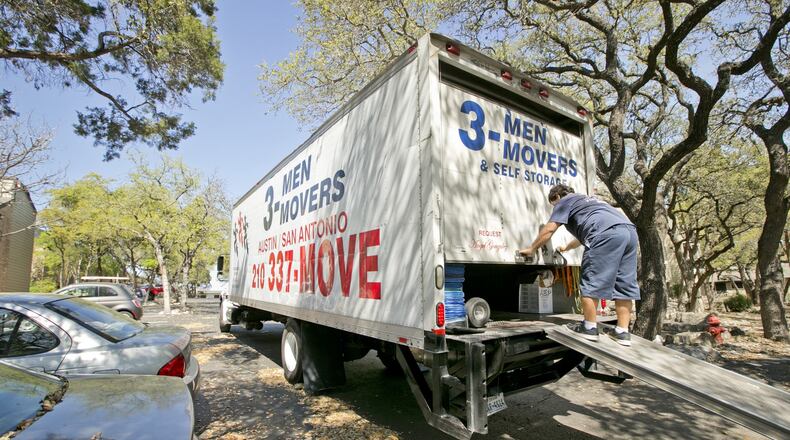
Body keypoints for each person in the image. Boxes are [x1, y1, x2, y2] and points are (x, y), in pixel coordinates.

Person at [518, 184, 639, 346]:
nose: (554, 208)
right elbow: (586, 234)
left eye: (553, 204)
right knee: (625, 284)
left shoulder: (564, 201)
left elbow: (549, 229)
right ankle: (622, 332)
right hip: (629, 233)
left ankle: (589, 327)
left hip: (605, 234)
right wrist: (566, 248)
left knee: (591, 280)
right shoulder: (592, 202)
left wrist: (532, 249)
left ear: (557, 197)